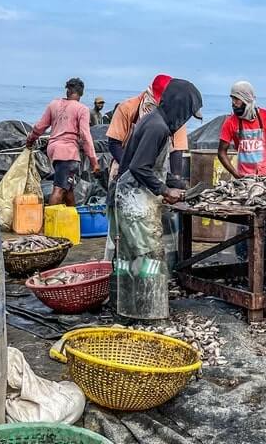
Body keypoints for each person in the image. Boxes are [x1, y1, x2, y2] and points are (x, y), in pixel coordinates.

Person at [112, 79, 203, 321]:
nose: (185, 121)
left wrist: (175, 184)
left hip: (136, 197)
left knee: (132, 257)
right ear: (178, 106)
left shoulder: (156, 122)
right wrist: (164, 190)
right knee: (148, 257)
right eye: (186, 114)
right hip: (134, 200)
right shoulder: (157, 127)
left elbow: (151, 165)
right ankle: (146, 312)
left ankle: (130, 308)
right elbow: (139, 167)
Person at [26, 78, 99, 206]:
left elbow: (40, 126)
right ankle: (49, 222)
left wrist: (30, 140)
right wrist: (94, 161)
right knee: (59, 189)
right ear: (81, 93)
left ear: (67, 91)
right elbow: (85, 136)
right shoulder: (82, 109)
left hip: (53, 150)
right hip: (67, 153)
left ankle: (74, 219)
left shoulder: (54, 104)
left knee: (68, 188)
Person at [107, 75, 189, 182]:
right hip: (123, 167)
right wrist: (131, 172)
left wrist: (176, 180)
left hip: (156, 172)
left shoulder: (175, 115)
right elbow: (114, 143)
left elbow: (177, 150)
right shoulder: (127, 107)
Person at [218, 81, 266, 178]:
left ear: (247, 99)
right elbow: (221, 152)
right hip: (244, 176)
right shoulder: (230, 122)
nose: (233, 103)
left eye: (237, 99)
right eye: (232, 99)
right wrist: (236, 175)